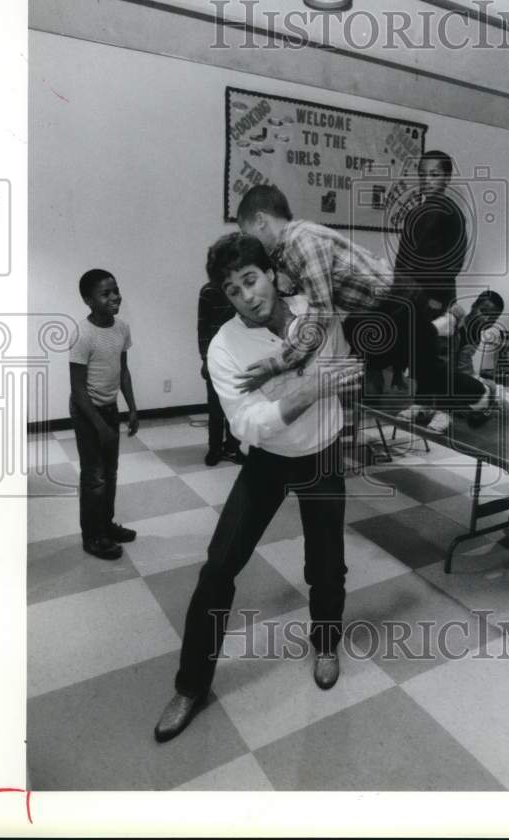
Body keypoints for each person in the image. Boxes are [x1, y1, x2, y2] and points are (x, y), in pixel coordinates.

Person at [154, 234, 362, 744]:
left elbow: (344, 363)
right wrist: (311, 389)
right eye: (232, 290)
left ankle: (326, 644)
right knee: (218, 568)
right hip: (267, 461)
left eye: (250, 280)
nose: (246, 296)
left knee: (326, 564)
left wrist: (342, 386)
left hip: (322, 453)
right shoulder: (225, 347)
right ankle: (191, 685)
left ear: (271, 274)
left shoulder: (315, 308)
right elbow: (247, 425)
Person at [234, 184, 454, 399]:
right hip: (377, 304)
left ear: (261, 220)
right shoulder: (284, 250)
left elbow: (321, 312)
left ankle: (437, 326)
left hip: (397, 299)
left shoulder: (302, 241)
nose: (248, 240)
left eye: (246, 232)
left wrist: (280, 362)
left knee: (423, 369)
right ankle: (431, 329)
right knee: (357, 338)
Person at [69, 269, 139, 561]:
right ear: (88, 300)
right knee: (94, 477)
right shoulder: (83, 335)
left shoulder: (121, 329)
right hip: (87, 413)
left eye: (116, 290)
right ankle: (93, 537)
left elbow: (123, 372)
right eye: (105, 293)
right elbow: (78, 389)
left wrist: (132, 408)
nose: (114, 297)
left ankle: (106, 525)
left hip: (110, 410)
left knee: (110, 473)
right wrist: (99, 426)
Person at [393, 149, 468, 318]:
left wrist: (433, 298)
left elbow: (453, 263)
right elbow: (402, 260)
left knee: (429, 340)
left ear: (447, 178)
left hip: (436, 299)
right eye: (422, 175)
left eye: (434, 175)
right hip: (408, 295)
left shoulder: (452, 213)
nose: (427, 180)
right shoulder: (414, 213)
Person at [197, 281, 244, 466]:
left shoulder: (241, 289)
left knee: (236, 406)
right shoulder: (208, 290)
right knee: (215, 408)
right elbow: (202, 327)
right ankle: (214, 449)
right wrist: (205, 359)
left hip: (239, 356)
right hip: (215, 357)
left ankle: (234, 447)